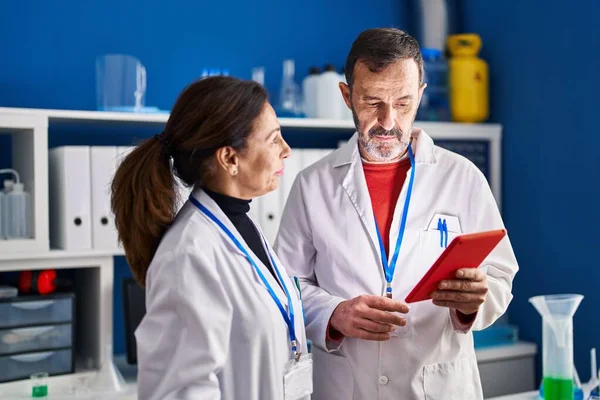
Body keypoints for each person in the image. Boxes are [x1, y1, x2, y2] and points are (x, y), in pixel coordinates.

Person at [274, 28, 519, 400]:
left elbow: (500, 274)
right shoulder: (312, 185)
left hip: (439, 385)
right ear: (347, 96)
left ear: (420, 95)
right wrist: (334, 313)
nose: (388, 121)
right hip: (347, 385)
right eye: (373, 102)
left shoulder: (462, 177)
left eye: (403, 103)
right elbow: (286, 287)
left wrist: (475, 302)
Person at [111, 76, 312, 400]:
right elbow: (177, 392)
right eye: (274, 139)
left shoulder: (242, 226)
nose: (286, 150)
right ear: (229, 158)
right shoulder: (188, 256)